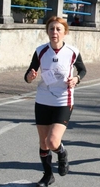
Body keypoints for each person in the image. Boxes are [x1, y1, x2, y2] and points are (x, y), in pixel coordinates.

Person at [24, 16, 87, 187]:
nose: (54, 32)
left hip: (63, 100)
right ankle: (48, 175)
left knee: (52, 142)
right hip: (43, 99)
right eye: (51, 29)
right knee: (43, 142)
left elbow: (82, 70)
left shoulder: (72, 51)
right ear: (47, 31)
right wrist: (30, 77)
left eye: (58, 29)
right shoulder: (40, 51)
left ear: (65, 32)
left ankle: (62, 152)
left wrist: (76, 79)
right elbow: (29, 74)